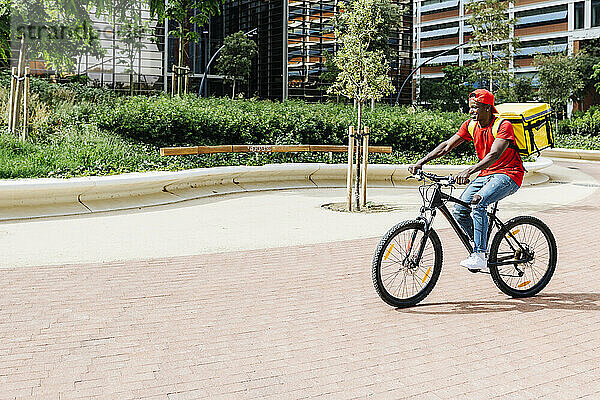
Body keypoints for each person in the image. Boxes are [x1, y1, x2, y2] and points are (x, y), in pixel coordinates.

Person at [408, 89, 524, 272]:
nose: (472, 111)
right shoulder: (471, 125)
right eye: (470, 107)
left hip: (509, 174)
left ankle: (479, 254)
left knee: (478, 202)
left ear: (487, 108)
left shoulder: (503, 125)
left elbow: (494, 155)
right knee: (460, 210)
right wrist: (421, 162)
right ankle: (481, 244)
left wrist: (469, 171)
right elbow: (446, 146)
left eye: (475, 107)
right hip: (486, 174)